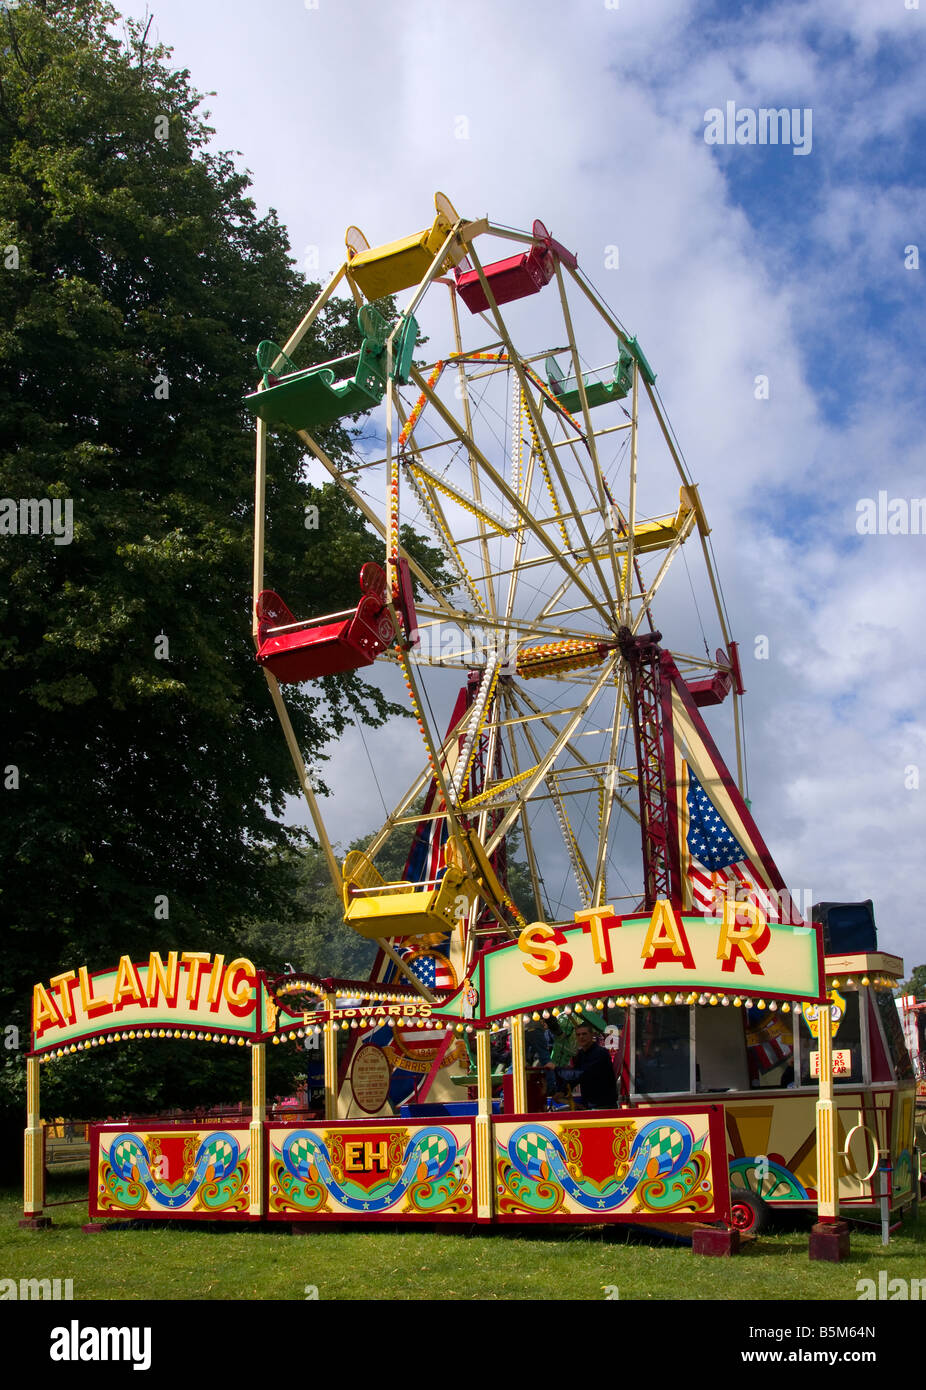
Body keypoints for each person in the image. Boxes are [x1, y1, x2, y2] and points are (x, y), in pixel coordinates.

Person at [556, 1022, 618, 1110]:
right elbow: (575, 1078)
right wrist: (563, 1091)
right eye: (578, 1035)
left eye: (584, 1034)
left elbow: (582, 1074)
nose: (581, 1037)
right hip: (589, 1105)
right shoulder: (581, 1054)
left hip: (603, 1106)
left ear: (592, 1035)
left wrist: (556, 1069)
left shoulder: (600, 1053)